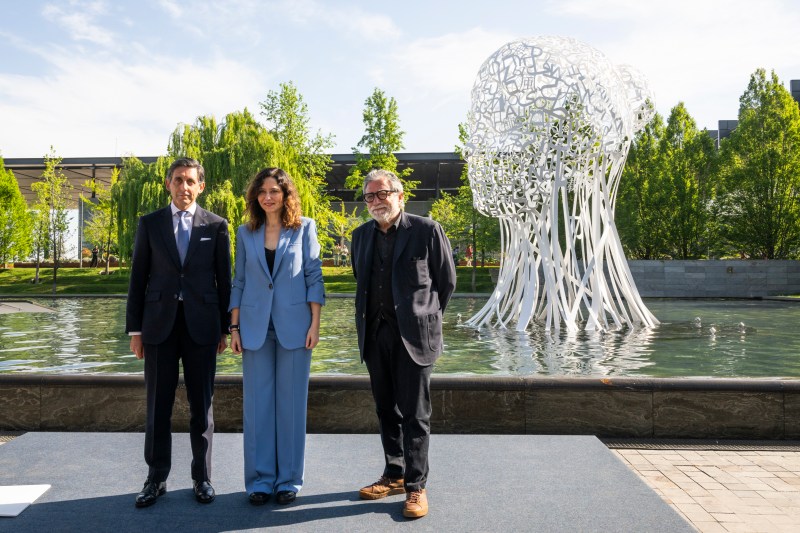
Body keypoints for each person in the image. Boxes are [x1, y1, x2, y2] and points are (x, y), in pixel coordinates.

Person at [126, 157, 231, 508]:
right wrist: (136, 330)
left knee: (203, 407)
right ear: (168, 184)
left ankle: (202, 477)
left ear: (201, 186)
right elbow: (137, 279)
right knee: (158, 406)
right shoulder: (150, 224)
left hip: (203, 328)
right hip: (158, 327)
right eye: (177, 180)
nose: (184, 187)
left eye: (190, 181)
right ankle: (155, 478)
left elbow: (224, 281)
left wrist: (226, 329)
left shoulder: (216, 226)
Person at [350, 169, 456, 519]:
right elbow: (360, 281)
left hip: (415, 337)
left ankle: (416, 487)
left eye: (382, 194)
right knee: (385, 410)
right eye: (369, 196)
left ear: (400, 195)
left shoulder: (426, 230)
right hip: (375, 334)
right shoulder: (361, 236)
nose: (376, 201)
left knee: (416, 415)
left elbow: (446, 282)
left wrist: (425, 318)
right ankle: (393, 474)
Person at [229, 167, 325, 506]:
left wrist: (314, 324)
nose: (268, 196)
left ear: (286, 195)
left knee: (292, 406)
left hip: (296, 326)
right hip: (254, 328)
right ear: (256, 196)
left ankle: (288, 481)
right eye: (262, 191)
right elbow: (238, 280)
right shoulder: (245, 232)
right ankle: (259, 481)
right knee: (257, 407)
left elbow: (314, 275)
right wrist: (235, 327)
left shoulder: (305, 227)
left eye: (275, 190)